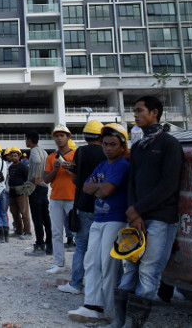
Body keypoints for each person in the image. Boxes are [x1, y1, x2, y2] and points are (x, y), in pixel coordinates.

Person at [113, 96, 184, 328]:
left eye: (139, 110)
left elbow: (169, 185)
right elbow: (132, 182)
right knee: (130, 268)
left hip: (161, 219)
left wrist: (137, 209)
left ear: (154, 113)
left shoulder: (169, 144)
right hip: (137, 219)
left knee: (149, 271)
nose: (135, 115)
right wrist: (134, 213)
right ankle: (119, 323)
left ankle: (133, 325)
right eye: (134, 111)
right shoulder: (139, 146)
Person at [68, 123, 131, 323]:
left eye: (113, 144)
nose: (108, 148)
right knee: (91, 261)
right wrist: (99, 187)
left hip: (115, 219)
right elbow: (86, 186)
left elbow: (105, 191)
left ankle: (111, 310)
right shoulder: (102, 165)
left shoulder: (122, 165)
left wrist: (98, 187)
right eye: (105, 144)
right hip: (99, 218)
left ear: (122, 147)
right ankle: (92, 304)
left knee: (108, 264)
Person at [59, 120, 106, 295]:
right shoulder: (107, 151)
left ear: (85, 136)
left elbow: (74, 179)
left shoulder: (81, 152)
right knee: (103, 248)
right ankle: (102, 286)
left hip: (84, 204)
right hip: (104, 206)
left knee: (81, 246)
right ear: (101, 135)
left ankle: (76, 283)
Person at [43, 125, 76, 274]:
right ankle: (59, 263)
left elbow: (81, 176)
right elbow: (46, 179)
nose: (59, 138)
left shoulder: (76, 155)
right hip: (56, 198)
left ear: (68, 137)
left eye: (62, 135)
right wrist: (55, 169)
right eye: (56, 136)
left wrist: (70, 169)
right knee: (56, 232)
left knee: (78, 233)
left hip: (72, 198)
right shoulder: (51, 158)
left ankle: (79, 264)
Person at [25, 130, 52, 256]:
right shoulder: (44, 152)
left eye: (26, 139)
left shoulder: (34, 151)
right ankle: (50, 245)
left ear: (30, 140)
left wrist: (35, 175)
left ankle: (40, 245)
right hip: (44, 187)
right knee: (46, 217)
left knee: (37, 218)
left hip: (36, 187)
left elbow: (35, 161)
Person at [6, 147, 32, 240]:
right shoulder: (11, 167)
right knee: (14, 212)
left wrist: (24, 190)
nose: (13, 157)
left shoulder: (23, 167)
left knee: (24, 212)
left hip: (21, 193)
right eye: (12, 156)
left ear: (19, 156)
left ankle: (27, 231)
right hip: (12, 192)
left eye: (15, 156)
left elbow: (28, 180)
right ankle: (19, 230)